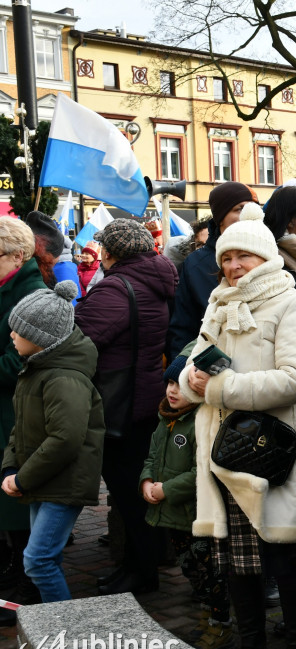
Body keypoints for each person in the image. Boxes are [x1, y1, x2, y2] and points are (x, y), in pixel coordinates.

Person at [178, 204, 296, 649]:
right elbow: (195, 361)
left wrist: (215, 389)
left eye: (244, 257)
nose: (233, 266)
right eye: (226, 258)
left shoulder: (292, 303)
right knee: (237, 565)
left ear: (265, 258)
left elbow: (295, 381)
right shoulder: (218, 302)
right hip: (221, 454)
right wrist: (189, 378)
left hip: (269, 456)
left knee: (285, 557)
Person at [75, 219, 178, 596]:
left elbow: (81, 338)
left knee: (129, 494)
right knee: (137, 490)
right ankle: (137, 567)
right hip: (145, 395)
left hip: (120, 400)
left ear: (110, 253)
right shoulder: (159, 279)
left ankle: (141, 571)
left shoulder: (117, 288)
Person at [0, 282, 104, 606]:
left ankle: (65, 634)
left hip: (62, 482)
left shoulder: (62, 377)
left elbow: (65, 438)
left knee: (38, 560)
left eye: (18, 331)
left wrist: (22, 478)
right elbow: (21, 426)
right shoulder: (37, 368)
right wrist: (12, 466)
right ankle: (54, 628)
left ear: (41, 337)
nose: (12, 337)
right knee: (45, 559)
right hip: (44, 478)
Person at [139, 352, 233, 649]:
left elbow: (200, 470)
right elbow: (152, 456)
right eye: (169, 383)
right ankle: (206, 618)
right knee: (191, 570)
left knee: (211, 574)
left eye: (179, 385)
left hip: (195, 515)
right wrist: (147, 480)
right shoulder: (165, 419)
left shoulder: (200, 423)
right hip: (173, 516)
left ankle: (219, 625)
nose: (171, 390)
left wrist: (167, 489)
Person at [0, 218, 48, 624]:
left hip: (18, 410)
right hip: (5, 408)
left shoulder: (31, 294)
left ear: (18, 256)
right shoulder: (9, 288)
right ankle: (14, 575)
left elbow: (22, 359)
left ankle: (27, 587)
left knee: (18, 499)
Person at [167, 181, 257, 358]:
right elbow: (183, 328)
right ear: (221, 217)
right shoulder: (196, 264)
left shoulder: (270, 254)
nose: (248, 214)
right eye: (239, 209)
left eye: (253, 208)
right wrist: (182, 371)